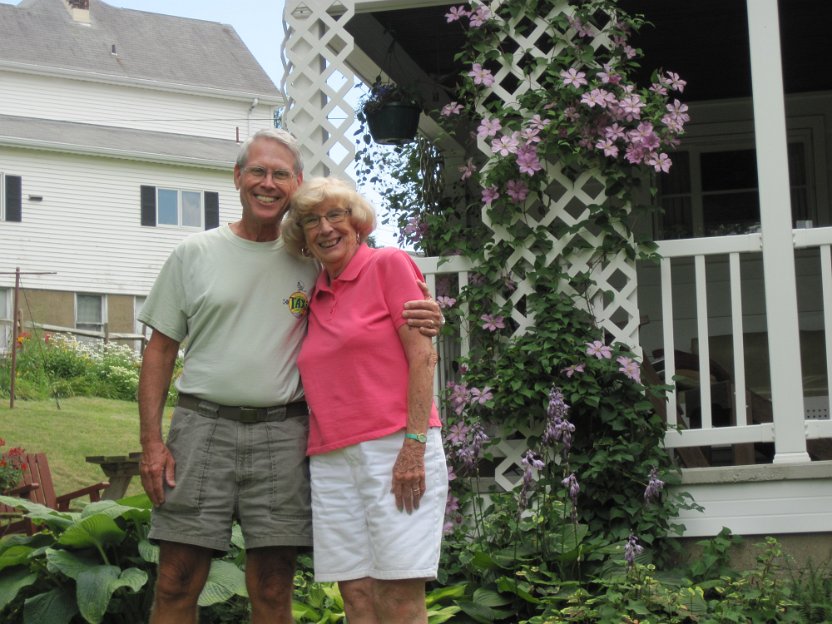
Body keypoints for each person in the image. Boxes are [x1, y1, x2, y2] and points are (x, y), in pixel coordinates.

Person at [137, 129, 443, 624]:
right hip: (203, 427)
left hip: (285, 432)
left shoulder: (316, 260)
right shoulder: (198, 254)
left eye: (281, 174)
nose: (267, 182)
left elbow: (385, 305)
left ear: (295, 183)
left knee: (275, 584)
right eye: (257, 170)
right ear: (237, 177)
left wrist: (430, 317)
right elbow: (160, 350)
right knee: (176, 578)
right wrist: (151, 442)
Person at [282, 177, 449, 624]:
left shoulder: (388, 265)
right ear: (302, 236)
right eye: (312, 221)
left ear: (356, 223)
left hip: (395, 447)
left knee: (397, 595)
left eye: (336, 215)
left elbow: (423, 355)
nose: (325, 228)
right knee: (355, 595)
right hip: (331, 458)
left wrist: (413, 446)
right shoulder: (313, 294)